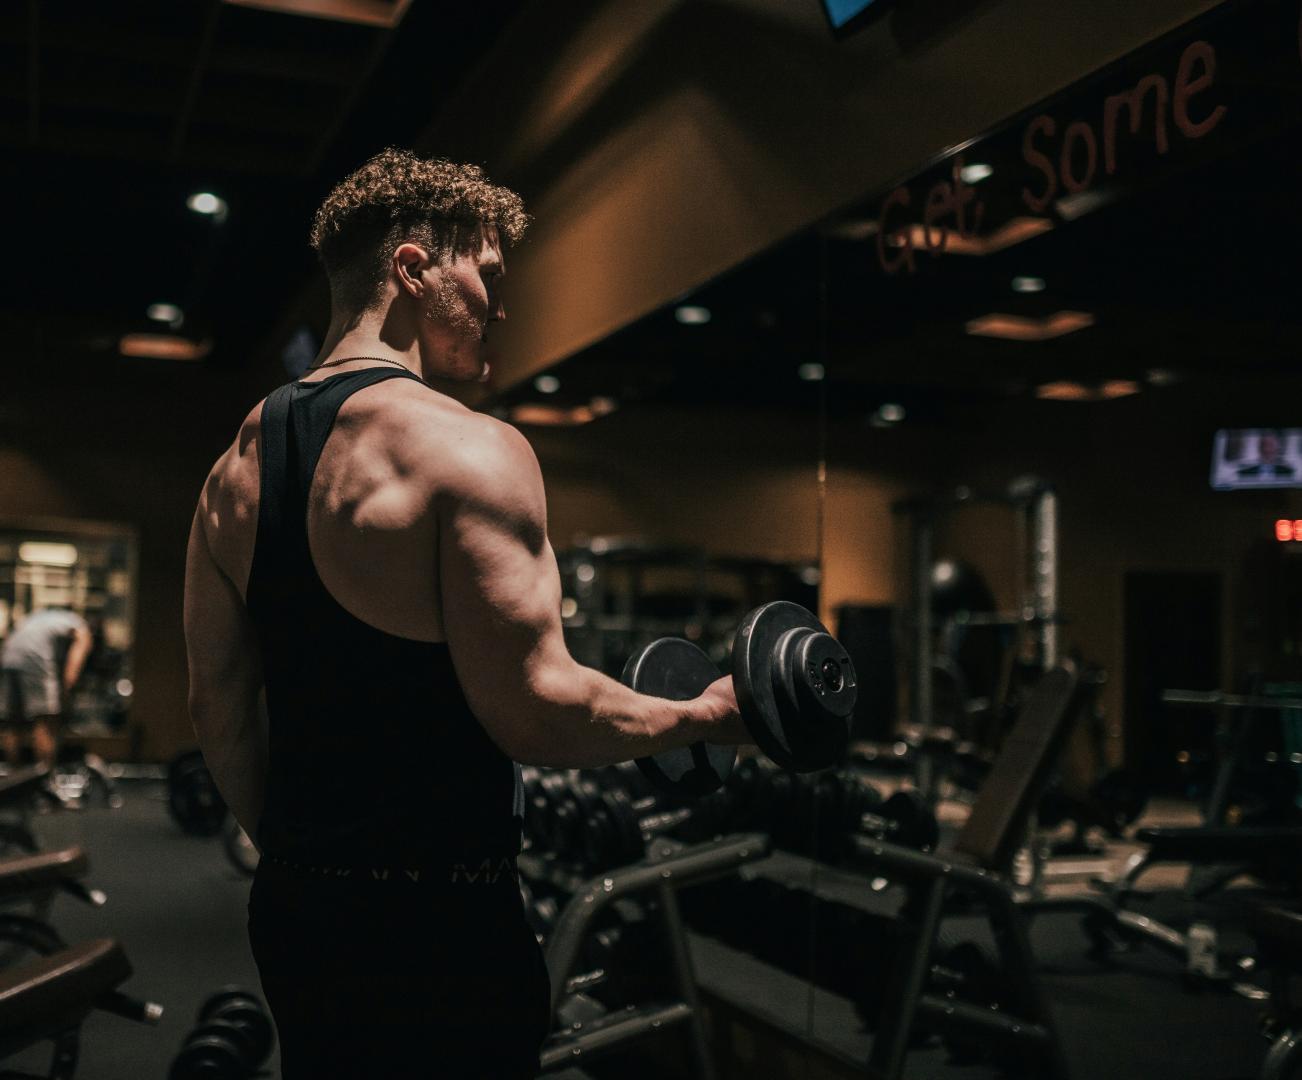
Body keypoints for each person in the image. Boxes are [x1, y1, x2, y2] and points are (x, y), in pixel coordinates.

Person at [183, 148, 744, 1079]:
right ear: (413, 270)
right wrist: (706, 716)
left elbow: (218, 710)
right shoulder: (470, 451)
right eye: (486, 273)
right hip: (441, 929)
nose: (499, 304)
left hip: (296, 916)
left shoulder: (230, 474)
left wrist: (303, 862)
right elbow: (536, 709)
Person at [0, 606, 93, 774]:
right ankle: (45, 780)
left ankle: (14, 781)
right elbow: (78, 653)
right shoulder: (78, 623)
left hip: (8, 656)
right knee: (45, 720)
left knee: (13, 722)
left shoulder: (38, 617)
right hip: (35, 656)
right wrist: (67, 686)